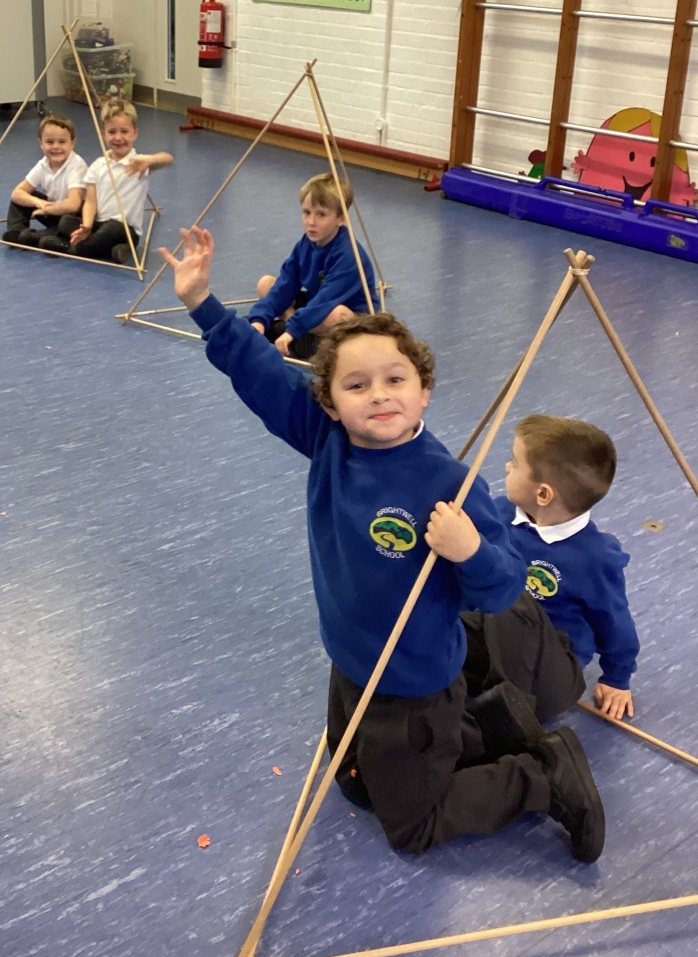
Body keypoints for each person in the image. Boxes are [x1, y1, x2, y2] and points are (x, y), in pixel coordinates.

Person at [159, 226, 606, 864]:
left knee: (412, 827)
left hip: (414, 681)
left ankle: (541, 776)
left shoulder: (449, 484)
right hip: (350, 660)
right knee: (354, 783)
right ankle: (492, 721)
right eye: (357, 384)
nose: (378, 395)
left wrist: (469, 550)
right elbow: (260, 372)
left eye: (395, 379)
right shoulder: (328, 439)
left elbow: (505, 586)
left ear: (424, 390)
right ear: (329, 402)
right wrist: (203, 304)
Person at [462, 415, 639, 725]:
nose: (507, 467)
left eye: (515, 463)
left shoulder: (595, 558)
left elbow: (614, 621)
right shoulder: (501, 512)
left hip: (549, 667)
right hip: (494, 637)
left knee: (513, 598)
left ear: (543, 494)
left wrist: (617, 678)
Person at [248, 173, 379, 361]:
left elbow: (326, 300)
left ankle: (293, 333)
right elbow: (286, 283)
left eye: (321, 215)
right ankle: (297, 331)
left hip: (350, 316)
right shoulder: (306, 243)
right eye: (306, 212)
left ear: (341, 219)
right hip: (315, 304)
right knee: (266, 284)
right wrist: (259, 320)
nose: (311, 222)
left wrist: (292, 329)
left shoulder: (348, 255)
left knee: (338, 316)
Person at [41, 99, 173, 263]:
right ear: (103, 134)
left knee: (112, 228)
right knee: (66, 222)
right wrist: (87, 226)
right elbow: (90, 202)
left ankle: (68, 248)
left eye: (124, 131)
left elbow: (168, 158)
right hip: (99, 225)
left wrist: (149, 161)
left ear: (135, 133)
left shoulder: (139, 162)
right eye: (112, 132)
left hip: (125, 230)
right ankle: (115, 250)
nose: (118, 137)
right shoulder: (97, 166)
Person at [3, 115, 87, 247]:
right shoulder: (43, 164)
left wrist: (46, 210)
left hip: (75, 216)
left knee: (67, 223)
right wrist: (39, 202)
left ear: (72, 143)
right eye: (49, 142)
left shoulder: (76, 165)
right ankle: (17, 231)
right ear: (41, 143)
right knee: (21, 199)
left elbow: (73, 205)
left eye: (62, 142)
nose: (56, 146)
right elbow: (17, 193)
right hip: (54, 210)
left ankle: (47, 237)